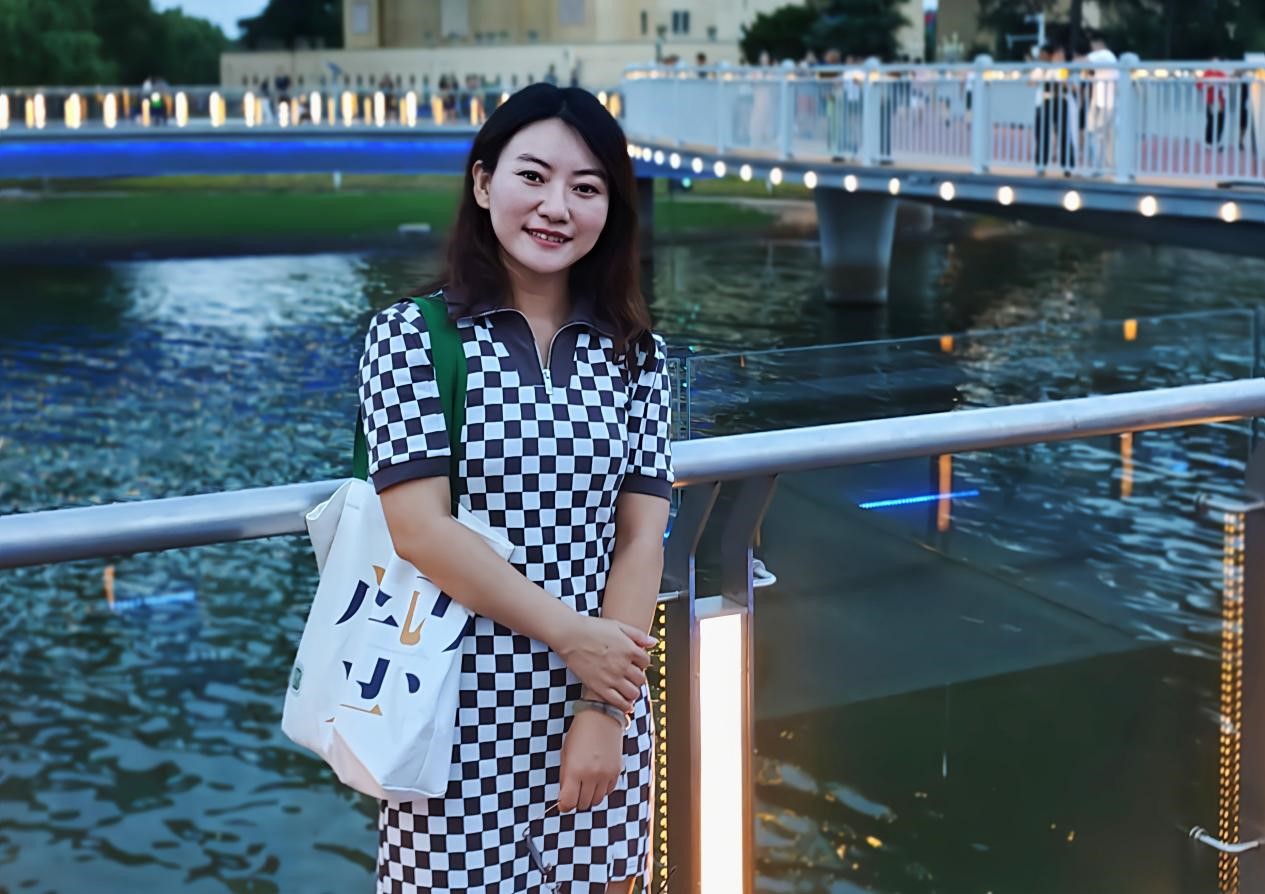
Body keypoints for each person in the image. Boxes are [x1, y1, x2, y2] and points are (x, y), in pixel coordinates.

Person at [359, 83, 672, 893]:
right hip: (451, 717)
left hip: (598, 709)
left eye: (586, 187)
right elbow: (418, 529)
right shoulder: (413, 337)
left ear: (612, 207)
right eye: (532, 176)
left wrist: (603, 710)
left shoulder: (636, 355)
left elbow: (640, 535)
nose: (555, 207)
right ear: (482, 182)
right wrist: (573, 637)